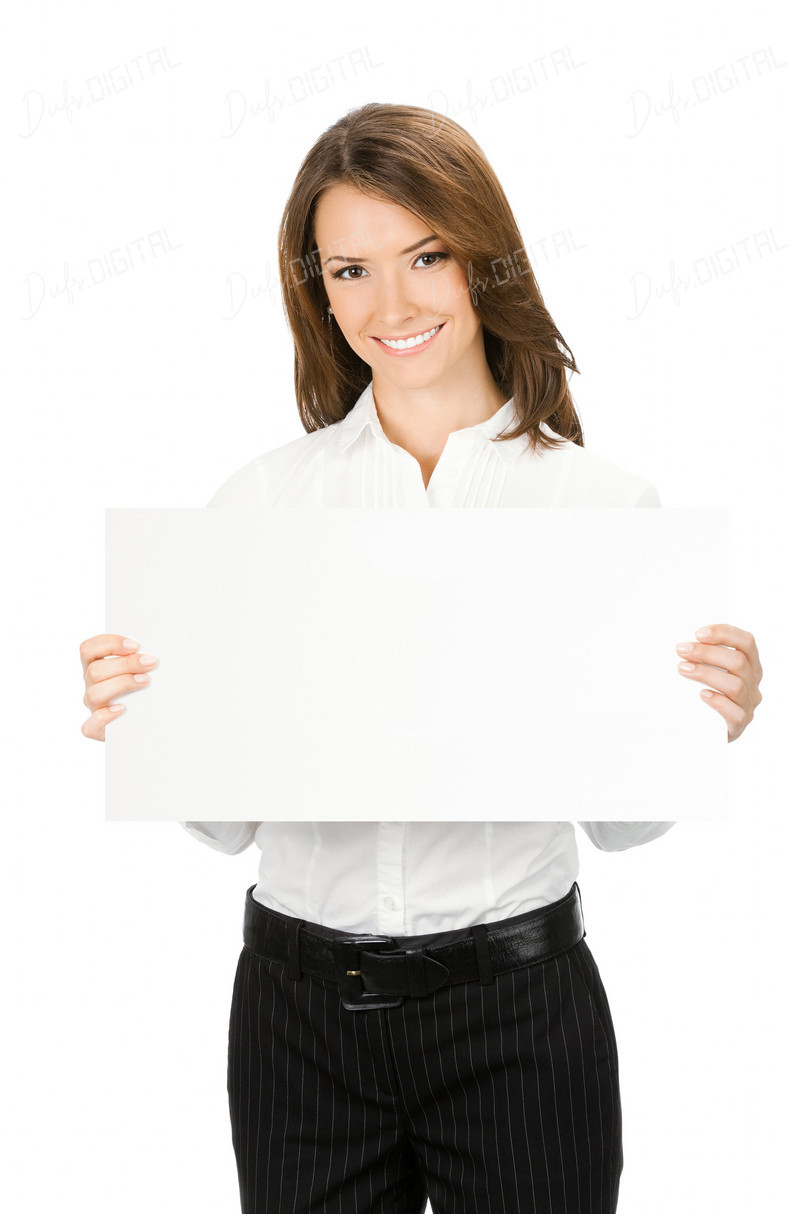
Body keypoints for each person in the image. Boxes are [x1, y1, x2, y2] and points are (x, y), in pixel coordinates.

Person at [79, 103, 763, 1213]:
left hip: (518, 1012)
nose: (388, 305)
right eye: (349, 269)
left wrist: (703, 718)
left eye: (425, 257)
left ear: (481, 259)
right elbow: (220, 827)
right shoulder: (261, 502)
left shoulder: (597, 508)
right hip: (297, 1019)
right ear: (317, 286)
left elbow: (627, 826)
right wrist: (151, 718)